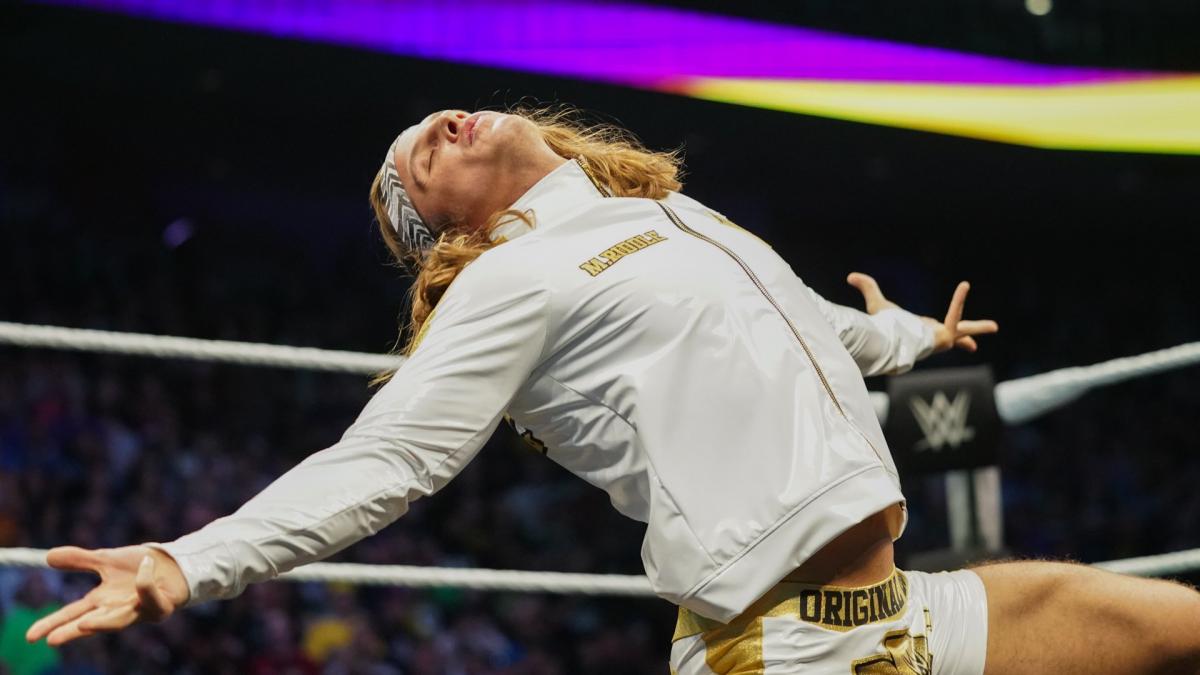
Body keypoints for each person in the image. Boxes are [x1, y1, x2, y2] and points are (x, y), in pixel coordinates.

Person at [25, 107, 1200, 674]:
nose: (434, 130)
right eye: (412, 165)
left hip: (908, 611)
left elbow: (803, 320)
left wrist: (902, 339)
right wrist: (187, 561)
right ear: (437, 226)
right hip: (784, 649)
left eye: (430, 124)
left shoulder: (668, 217)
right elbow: (388, 459)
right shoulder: (511, 282)